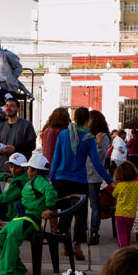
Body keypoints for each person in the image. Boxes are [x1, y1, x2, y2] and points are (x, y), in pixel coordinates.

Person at [49, 107, 113, 261]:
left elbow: (56, 158)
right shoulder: (89, 138)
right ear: (87, 120)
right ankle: (76, 243)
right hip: (80, 181)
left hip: (61, 180)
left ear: (74, 118)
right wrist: (110, 181)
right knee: (81, 215)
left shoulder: (64, 134)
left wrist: (51, 178)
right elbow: (97, 163)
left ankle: (65, 243)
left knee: (65, 211)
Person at [0, 153, 56, 275]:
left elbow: (50, 191)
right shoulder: (33, 181)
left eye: (29, 168)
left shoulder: (39, 180)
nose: (27, 171)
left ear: (35, 170)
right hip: (21, 217)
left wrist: (49, 208)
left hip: (30, 219)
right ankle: (18, 268)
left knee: (12, 237)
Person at [86, 110, 112, 244]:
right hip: (83, 174)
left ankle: (94, 232)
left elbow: (99, 156)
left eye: (89, 119)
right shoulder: (87, 135)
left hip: (94, 175)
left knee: (95, 204)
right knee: (83, 204)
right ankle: (83, 231)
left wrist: (96, 143)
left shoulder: (102, 137)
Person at [0, 99, 37, 171]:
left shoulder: (26, 125)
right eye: (7, 105)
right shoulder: (0, 127)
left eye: (12, 106)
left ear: (18, 109)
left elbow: (31, 145)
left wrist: (15, 148)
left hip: (21, 167)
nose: (8, 108)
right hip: (4, 167)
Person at [110, 161, 138, 248]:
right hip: (131, 214)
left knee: (121, 234)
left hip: (120, 213)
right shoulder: (136, 184)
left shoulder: (120, 185)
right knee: (127, 233)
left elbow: (114, 194)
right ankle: (127, 248)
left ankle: (123, 250)